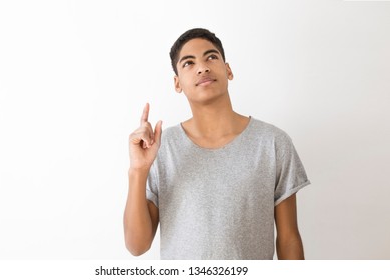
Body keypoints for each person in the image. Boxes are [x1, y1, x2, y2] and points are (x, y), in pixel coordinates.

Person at [124, 28, 311, 260]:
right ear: (177, 83)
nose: (202, 67)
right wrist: (138, 171)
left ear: (228, 69)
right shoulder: (160, 148)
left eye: (211, 57)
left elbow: (289, 238)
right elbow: (137, 246)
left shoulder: (272, 143)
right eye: (188, 63)